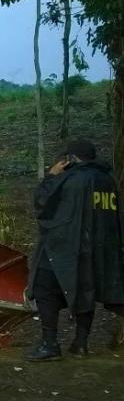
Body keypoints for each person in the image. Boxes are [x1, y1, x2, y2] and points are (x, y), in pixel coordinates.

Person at [26, 138, 124, 361]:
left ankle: (49, 344)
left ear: (70, 159)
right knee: (85, 289)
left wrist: (51, 176)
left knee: (43, 286)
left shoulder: (69, 179)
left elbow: (42, 203)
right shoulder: (107, 180)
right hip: (98, 250)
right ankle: (80, 344)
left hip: (67, 247)